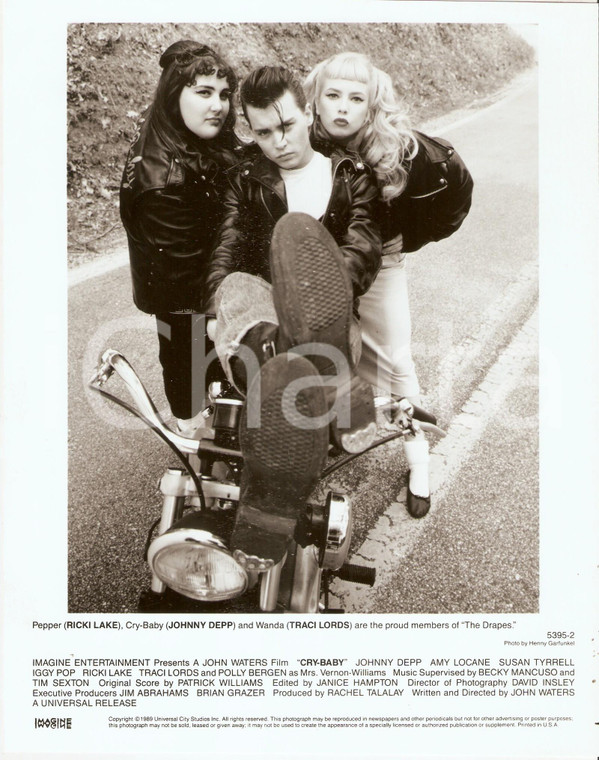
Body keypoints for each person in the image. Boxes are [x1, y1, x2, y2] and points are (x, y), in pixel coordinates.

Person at [203, 66, 383, 562]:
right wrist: (218, 299)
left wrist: (309, 290)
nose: (277, 141)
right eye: (263, 132)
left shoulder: (350, 176)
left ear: (308, 114)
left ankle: (305, 350)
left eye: (286, 125)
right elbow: (228, 247)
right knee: (239, 287)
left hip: (327, 310)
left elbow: (363, 249)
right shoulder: (247, 178)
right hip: (261, 311)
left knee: (310, 285)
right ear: (251, 132)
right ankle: (298, 361)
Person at [304, 52, 474, 518]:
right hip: (319, 264)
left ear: (371, 105)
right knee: (323, 356)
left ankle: (419, 459)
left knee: (396, 360)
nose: (342, 107)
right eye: (332, 95)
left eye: (355, 98)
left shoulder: (400, 148)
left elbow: (457, 186)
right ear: (315, 101)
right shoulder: (304, 141)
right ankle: (325, 439)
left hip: (381, 264)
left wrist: (406, 239)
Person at [120, 40, 244, 434]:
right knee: (188, 356)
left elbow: (233, 159)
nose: (218, 105)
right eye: (204, 93)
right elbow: (188, 276)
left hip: (191, 278)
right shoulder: (164, 180)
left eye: (224, 94)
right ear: (177, 95)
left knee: (192, 358)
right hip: (183, 293)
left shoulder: (176, 128)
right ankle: (194, 436)